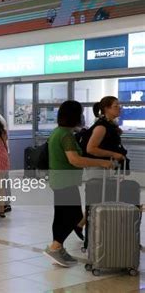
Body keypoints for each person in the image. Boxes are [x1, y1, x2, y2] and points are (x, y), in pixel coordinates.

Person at [43, 100, 113, 268]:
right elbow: (74, 160)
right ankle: (55, 247)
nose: (82, 116)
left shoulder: (58, 132)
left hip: (60, 180)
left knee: (62, 215)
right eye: (80, 113)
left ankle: (57, 247)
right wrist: (101, 163)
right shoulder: (66, 135)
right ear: (74, 115)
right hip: (65, 182)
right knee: (72, 216)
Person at [86, 96, 126, 175]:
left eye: (119, 106)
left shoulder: (110, 125)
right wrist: (115, 154)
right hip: (98, 168)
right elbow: (91, 149)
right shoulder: (101, 127)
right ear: (106, 109)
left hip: (107, 165)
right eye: (116, 106)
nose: (119, 108)